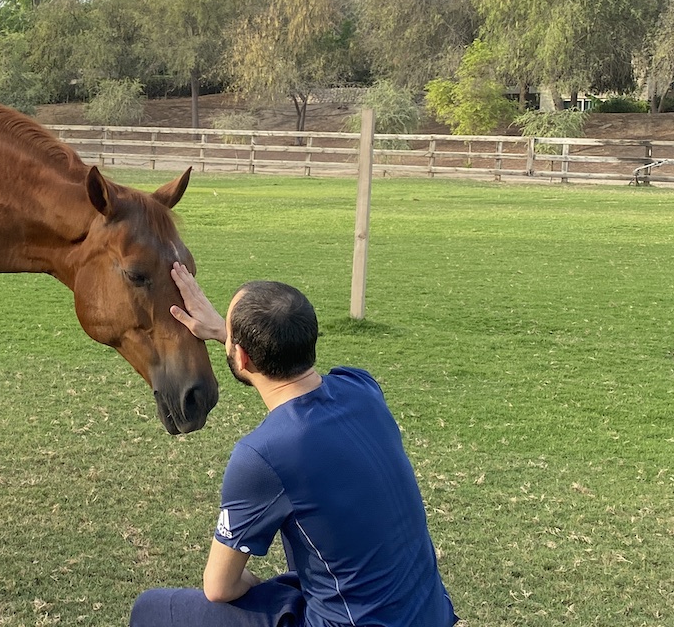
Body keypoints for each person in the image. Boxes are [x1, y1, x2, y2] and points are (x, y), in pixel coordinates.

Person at [129, 264, 457, 627]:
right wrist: (228, 332)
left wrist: (263, 589)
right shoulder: (362, 387)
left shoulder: (261, 457)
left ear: (240, 358)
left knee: (151, 610)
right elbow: (291, 379)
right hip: (431, 614)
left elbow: (219, 587)